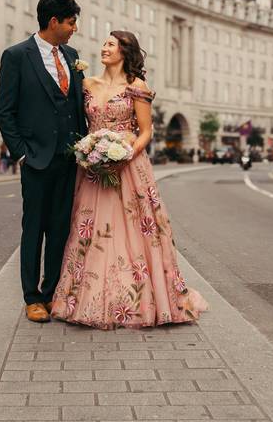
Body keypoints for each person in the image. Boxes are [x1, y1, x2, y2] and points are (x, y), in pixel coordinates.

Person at [46, 30, 207, 329]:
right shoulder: (87, 84)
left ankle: (141, 300)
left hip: (129, 166)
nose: (104, 48)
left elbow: (145, 131)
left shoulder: (137, 86)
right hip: (93, 166)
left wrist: (122, 155)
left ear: (124, 51)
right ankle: (85, 297)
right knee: (91, 229)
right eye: (104, 43)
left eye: (110, 45)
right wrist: (92, 153)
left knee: (133, 230)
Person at [0, 0, 88, 324]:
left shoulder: (73, 55)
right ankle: (31, 298)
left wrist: (85, 147)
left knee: (60, 229)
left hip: (68, 160)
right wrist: (21, 153)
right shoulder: (17, 56)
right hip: (35, 160)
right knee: (34, 229)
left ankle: (51, 295)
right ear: (54, 21)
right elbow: (5, 111)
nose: (74, 28)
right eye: (71, 22)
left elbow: (76, 107)